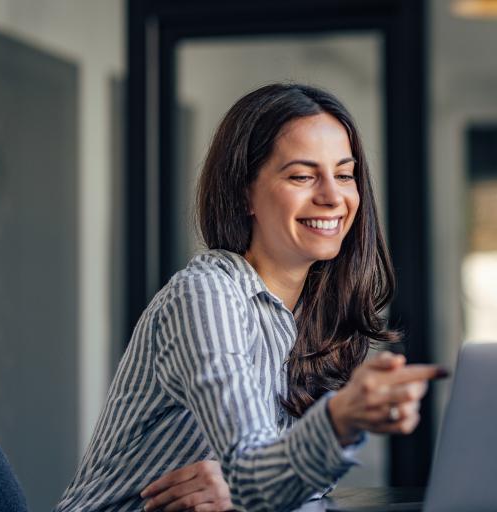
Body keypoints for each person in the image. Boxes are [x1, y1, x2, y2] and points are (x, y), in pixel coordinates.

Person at [57, 84, 443, 511]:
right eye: (302, 175)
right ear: (245, 193)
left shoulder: (311, 315)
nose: (333, 197)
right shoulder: (205, 295)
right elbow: (258, 482)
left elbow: (276, 488)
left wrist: (237, 486)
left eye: (345, 174)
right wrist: (336, 424)